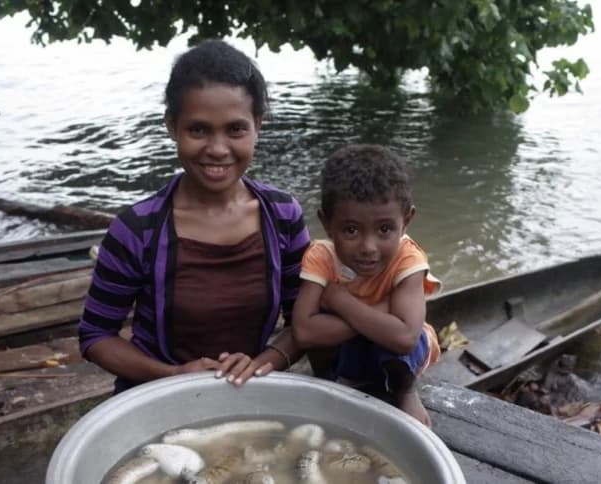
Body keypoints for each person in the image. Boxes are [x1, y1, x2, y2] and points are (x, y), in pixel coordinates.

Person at [77, 39, 310, 394]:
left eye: (235, 129)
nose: (217, 149)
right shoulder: (137, 229)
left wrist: (264, 362)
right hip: (153, 396)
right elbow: (96, 335)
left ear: (257, 125)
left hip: (248, 392)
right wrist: (171, 376)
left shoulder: (282, 216)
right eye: (198, 129)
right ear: (172, 127)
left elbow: (302, 323)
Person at [291, 144, 441, 426]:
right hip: (357, 344)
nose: (368, 248)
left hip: (403, 354)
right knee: (346, 337)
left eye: (385, 229)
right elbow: (304, 331)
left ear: (406, 221)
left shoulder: (408, 258)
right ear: (326, 223)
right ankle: (331, 381)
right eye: (350, 230)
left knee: (403, 341)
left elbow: (405, 337)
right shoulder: (321, 256)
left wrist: (339, 301)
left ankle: (405, 390)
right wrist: (380, 313)